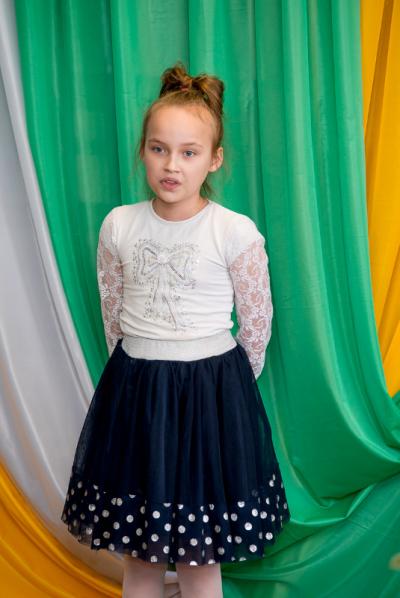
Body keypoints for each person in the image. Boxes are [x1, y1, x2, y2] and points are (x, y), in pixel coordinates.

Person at [60, 61, 291, 598]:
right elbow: (114, 316)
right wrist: (136, 378)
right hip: (137, 396)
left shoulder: (232, 231)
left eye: (189, 153)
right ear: (142, 151)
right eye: (159, 148)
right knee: (140, 554)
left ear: (214, 159)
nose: (171, 164)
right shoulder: (119, 224)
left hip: (209, 398)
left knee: (198, 558)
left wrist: (226, 390)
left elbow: (256, 325)